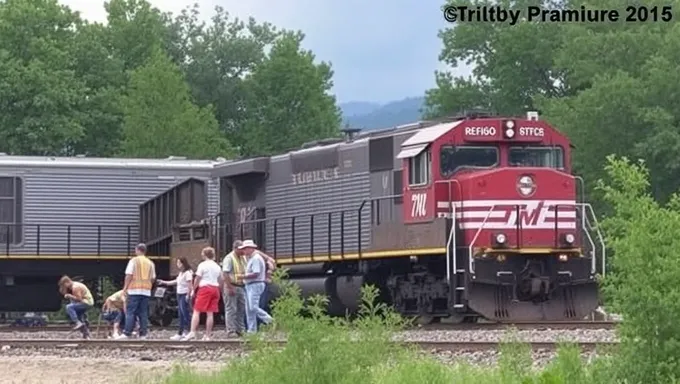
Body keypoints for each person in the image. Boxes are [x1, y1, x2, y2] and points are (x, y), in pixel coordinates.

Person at [115, 243, 156, 340]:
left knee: (130, 312)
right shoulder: (150, 263)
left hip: (134, 290)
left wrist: (125, 288)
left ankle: (127, 333)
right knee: (143, 313)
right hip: (146, 291)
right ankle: (143, 334)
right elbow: (153, 278)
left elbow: (129, 275)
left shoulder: (134, 261)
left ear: (137, 250)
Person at [183, 247, 223, 341]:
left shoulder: (203, 265)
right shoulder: (217, 266)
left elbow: (197, 278)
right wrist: (220, 290)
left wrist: (193, 289)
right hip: (215, 289)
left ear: (205, 255)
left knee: (197, 311)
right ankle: (208, 335)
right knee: (210, 313)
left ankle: (192, 332)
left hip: (205, 289)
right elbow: (220, 280)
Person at [237, 240, 273, 333]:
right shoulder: (252, 258)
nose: (243, 251)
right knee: (249, 309)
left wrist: (243, 276)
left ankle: (269, 320)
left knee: (253, 307)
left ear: (250, 249)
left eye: (245, 249)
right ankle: (252, 330)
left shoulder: (256, 258)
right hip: (250, 285)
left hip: (255, 284)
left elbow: (256, 273)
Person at [157, 257, 194, 340]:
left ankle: (188, 331)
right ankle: (180, 332)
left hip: (184, 294)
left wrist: (188, 295)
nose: (178, 265)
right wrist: (164, 282)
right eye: (177, 263)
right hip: (179, 294)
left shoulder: (188, 273)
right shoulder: (181, 273)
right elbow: (175, 281)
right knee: (181, 314)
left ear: (184, 264)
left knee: (185, 313)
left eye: (179, 263)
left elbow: (190, 285)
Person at [221, 240, 246, 337]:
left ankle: (240, 329)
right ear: (235, 248)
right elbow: (225, 273)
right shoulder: (229, 258)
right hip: (232, 286)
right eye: (241, 249)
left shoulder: (242, 258)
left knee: (240, 309)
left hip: (240, 286)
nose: (243, 251)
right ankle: (231, 331)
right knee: (231, 309)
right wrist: (229, 287)